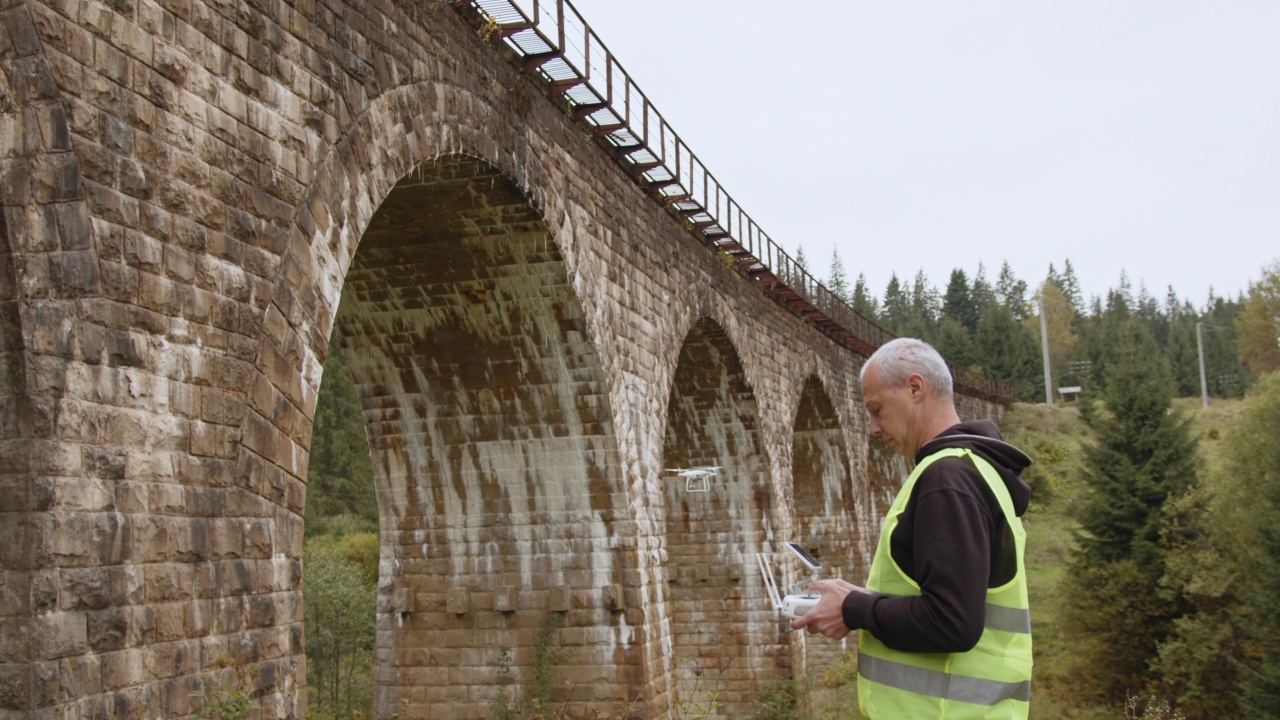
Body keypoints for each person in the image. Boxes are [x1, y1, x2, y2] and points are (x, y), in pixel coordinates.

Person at [791, 338, 1034, 719]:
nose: (872, 428)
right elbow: (954, 595)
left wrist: (855, 609)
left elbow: (952, 623)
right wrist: (863, 598)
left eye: (877, 409)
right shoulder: (973, 468)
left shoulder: (947, 480)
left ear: (915, 388)